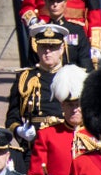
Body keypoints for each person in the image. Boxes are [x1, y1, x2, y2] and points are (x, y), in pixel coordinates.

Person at [6, 24, 68, 152]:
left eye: (53, 47)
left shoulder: (73, 76)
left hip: (66, 142)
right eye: (43, 46)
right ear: (37, 48)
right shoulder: (25, 78)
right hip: (35, 145)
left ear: (62, 49)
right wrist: (20, 130)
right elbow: (12, 118)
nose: (47, 51)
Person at [36, 0, 95, 72]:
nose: (55, 4)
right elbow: (33, 63)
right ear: (45, 2)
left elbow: (85, 62)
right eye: (51, 0)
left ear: (65, 2)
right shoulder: (40, 31)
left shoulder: (76, 30)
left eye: (59, 0)